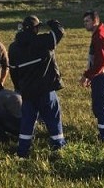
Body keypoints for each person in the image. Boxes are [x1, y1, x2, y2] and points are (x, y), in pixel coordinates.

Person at [8, 15, 67, 158]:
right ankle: (58, 148)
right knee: (52, 119)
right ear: (35, 28)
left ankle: (22, 152)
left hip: (27, 92)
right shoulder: (42, 41)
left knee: (27, 122)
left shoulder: (14, 47)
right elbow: (59, 33)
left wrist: (19, 88)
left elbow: (13, 70)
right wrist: (52, 21)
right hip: (45, 90)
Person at [79, 10, 104, 141]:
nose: (85, 24)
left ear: (95, 21)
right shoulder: (99, 34)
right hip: (103, 75)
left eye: (87, 21)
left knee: (101, 106)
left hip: (101, 76)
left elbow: (101, 62)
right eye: (84, 22)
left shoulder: (99, 36)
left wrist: (88, 75)